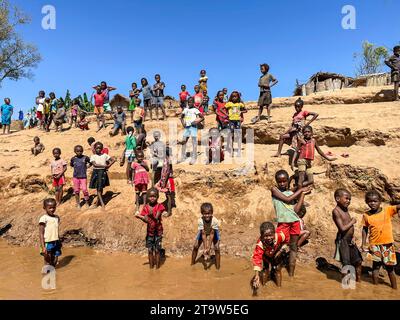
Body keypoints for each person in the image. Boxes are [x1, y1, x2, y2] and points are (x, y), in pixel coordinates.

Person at [271, 170, 311, 277]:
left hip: (294, 223)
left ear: (288, 181)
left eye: (284, 181)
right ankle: (274, 268)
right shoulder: (274, 190)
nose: (282, 183)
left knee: (293, 248)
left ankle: (291, 275)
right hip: (283, 223)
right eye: (280, 182)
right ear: (276, 182)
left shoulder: (291, 193)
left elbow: (296, 210)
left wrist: (302, 194)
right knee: (277, 246)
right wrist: (301, 189)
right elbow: (288, 200)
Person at [362, 190, 400, 289]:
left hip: (387, 245)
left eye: (375, 201)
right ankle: (376, 289)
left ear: (380, 201)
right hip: (374, 245)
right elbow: (364, 229)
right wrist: (363, 243)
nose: (372, 203)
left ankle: (394, 289)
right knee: (376, 267)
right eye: (370, 201)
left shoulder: (387, 210)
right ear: (366, 202)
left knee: (390, 268)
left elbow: (398, 207)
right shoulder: (366, 215)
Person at [135, 188, 172, 269]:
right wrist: (141, 217)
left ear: (157, 197)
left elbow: (156, 218)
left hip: (158, 232)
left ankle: (158, 268)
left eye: (154, 196)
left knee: (157, 250)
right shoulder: (145, 207)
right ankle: (151, 268)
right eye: (150, 196)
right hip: (150, 232)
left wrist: (150, 215)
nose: (152, 198)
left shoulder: (160, 206)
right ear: (147, 197)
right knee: (150, 250)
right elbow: (146, 221)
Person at [332, 189, 362, 282]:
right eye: (346, 198)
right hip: (343, 240)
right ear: (337, 198)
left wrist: (352, 236)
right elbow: (342, 228)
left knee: (358, 261)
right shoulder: (336, 211)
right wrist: (352, 222)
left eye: (350, 199)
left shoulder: (345, 209)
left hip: (349, 240)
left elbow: (347, 227)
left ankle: (358, 282)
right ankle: (346, 286)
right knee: (346, 264)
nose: (348, 201)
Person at [251, 222, 289, 291]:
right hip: (265, 255)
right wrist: (256, 275)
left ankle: (279, 288)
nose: (268, 238)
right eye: (265, 236)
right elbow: (257, 259)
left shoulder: (280, 236)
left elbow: (287, 241)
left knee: (277, 269)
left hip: (277, 253)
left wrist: (280, 251)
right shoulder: (260, 244)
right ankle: (264, 288)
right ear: (261, 236)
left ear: (274, 233)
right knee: (265, 270)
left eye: (271, 235)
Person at [191, 203, 221, 269]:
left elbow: (212, 234)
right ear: (202, 213)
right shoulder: (200, 221)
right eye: (205, 214)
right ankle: (192, 264)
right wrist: (205, 248)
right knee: (195, 246)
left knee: (217, 248)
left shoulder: (215, 220)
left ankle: (218, 267)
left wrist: (209, 248)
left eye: (209, 213)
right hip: (204, 232)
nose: (207, 215)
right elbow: (203, 234)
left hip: (214, 233)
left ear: (212, 213)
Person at [89, 142, 116, 209]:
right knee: (98, 189)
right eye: (97, 148)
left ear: (102, 149)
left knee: (100, 188)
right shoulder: (93, 156)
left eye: (100, 148)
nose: (98, 149)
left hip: (102, 173)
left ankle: (99, 203)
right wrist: (105, 166)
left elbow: (113, 159)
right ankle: (101, 203)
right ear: (94, 149)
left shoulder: (105, 155)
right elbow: (95, 165)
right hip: (96, 173)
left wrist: (109, 165)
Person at [179, 97, 204, 165]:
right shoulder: (185, 109)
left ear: (193, 102)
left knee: (194, 142)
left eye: (191, 102)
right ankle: (182, 157)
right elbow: (181, 117)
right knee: (184, 141)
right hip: (187, 127)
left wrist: (196, 122)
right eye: (189, 102)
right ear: (187, 102)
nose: (190, 103)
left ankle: (194, 157)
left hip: (193, 127)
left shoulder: (195, 110)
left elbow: (202, 117)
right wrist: (183, 123)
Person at [39, 198, 61, 268]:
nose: (52, 209)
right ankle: (46, 275)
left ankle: (53, 273)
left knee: (55, 258)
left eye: (54, 207)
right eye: (50, 208)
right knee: (47, 261)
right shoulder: (43, 218)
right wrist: (43, 247)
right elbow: (41, 233)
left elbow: (55, 230)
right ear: (44, 208)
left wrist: (59, 240)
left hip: (56, 241)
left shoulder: (57, 217)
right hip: (47, 242)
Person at [225, 91, 247, 156]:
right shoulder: (229, 103)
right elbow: (223, 109)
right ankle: (231, 149)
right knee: (231, 135)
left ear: (238, 97)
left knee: (238, 135)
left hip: (237, 120)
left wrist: (241, 111)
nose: (234, 98)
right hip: (231, 120)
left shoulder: (240, 104)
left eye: (235, 96)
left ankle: (239, 150)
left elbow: (246, 110)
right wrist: (227, 115)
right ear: (231, 97)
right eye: (233, 96)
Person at [132, 149, 150, 214]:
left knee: (144, 193)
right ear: (136, 157)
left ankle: (144, 205)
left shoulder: (144, 162)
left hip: (144, 180)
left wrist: (144, 165)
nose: (140, 158)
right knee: (137, 193)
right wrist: (132, 180)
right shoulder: (134, 164)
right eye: (139, 157)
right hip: (137, 180)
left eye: (142, 156)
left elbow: (148, 169)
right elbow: (133, 172)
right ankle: (137, 205)